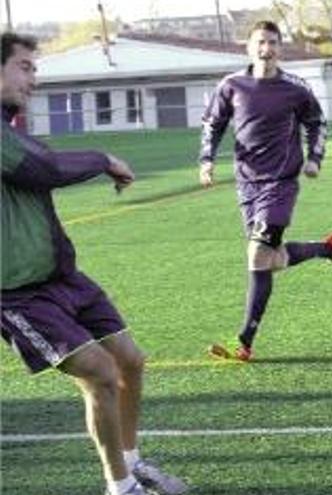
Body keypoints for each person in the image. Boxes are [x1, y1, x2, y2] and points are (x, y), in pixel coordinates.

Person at [0, 32, 188, 495]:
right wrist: (103, 159)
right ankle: (121, 488)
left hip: (61, 278)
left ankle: (131, 462)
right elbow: (44, 168)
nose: (34, 80)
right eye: (25, 67)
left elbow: (42, 163)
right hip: (16, 291)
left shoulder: (10, 126)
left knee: (130, 360)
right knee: (100, 372)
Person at [199, 21, 332, 362]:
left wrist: (315, 158)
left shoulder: (295, 88)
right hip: (246, 184)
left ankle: (244, 342)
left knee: (257, 257)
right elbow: (213, 124)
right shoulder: (231, 85)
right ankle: (326, 249)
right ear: (248, 47)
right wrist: (206, 160)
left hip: (280, 183)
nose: (265, 48)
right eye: (259, 42)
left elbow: (317, 123)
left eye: (271, 42)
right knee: (270, 259)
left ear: (279, 48)